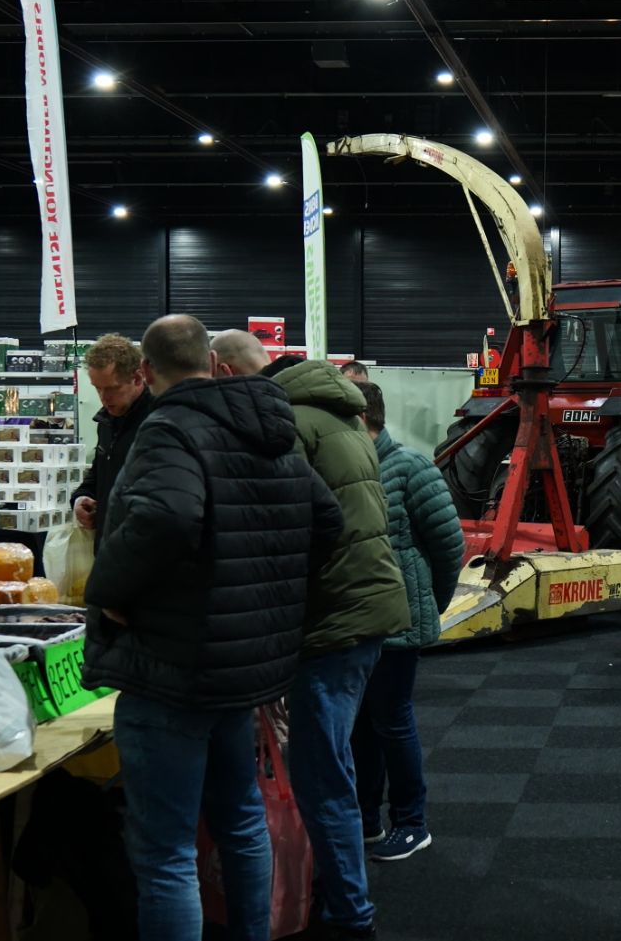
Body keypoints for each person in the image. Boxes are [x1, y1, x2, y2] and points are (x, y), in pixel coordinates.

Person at [82, 315, 343, 941]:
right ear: (213, 362)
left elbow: (167, 519)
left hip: (172, 665)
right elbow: (327, 520)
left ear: (147, 371)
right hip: (242, 668)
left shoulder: (170, 427)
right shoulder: (269, 426)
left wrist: (108, 592)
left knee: (165, 852)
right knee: (241, 820)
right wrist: (265, 592)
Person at [213, 329, 410, 939]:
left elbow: (295, 528)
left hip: (330, 617)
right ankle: (337, 892)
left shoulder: (286, 423)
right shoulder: (336, 412)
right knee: (334, 764)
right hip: (362, 607)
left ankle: (349, 914)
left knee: (322, 775)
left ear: (223, 372)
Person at [350, 380, 464, 862]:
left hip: (399, 624)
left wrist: (428, 606)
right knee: (361, 726)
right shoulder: (349, 468)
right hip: (360, 623)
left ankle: (412, 824)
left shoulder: (411, 467)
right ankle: (366, 820)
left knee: (392, 722)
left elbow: (450, 547)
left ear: (362, 418)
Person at [70, 334, 155, 545]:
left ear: (138, 378)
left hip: (142, 548)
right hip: (109, 546)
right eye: (97, 388)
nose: (104, 397)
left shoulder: (157, 423)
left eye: (112, 388)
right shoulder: (107, 421)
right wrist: (81, 498)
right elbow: (99, 472)